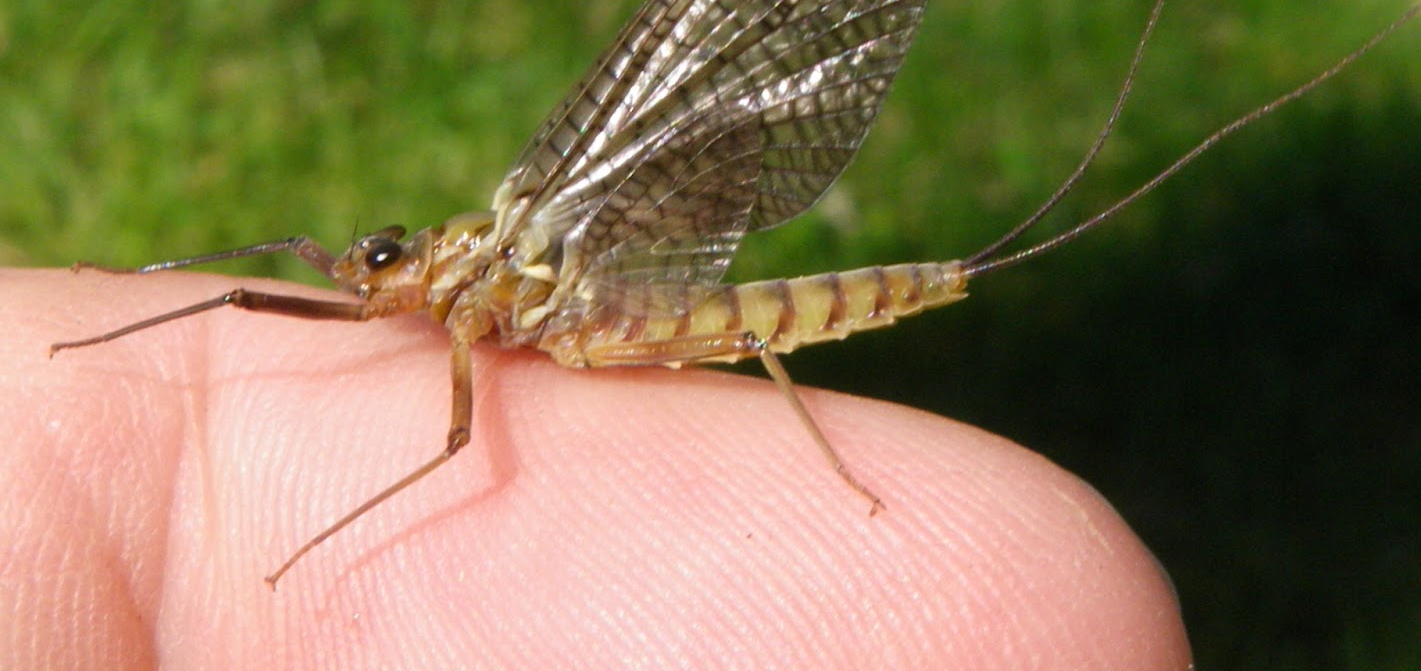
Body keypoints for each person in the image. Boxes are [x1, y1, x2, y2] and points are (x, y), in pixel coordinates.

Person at [2, 266, 1190, 669]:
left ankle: (839, 477)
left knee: (760, 343)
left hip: (700, 313)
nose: (368, 284)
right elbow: (249, 279)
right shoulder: (447, 310)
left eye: (378, 269)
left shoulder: (482, 310)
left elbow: (454, 440)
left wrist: (304, 545)